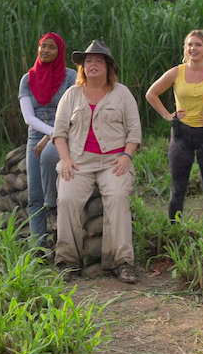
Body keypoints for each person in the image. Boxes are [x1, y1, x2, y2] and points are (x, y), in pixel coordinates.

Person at [52, 40, 142, 284]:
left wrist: (126, 156)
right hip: (79, 162)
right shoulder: (72, 94)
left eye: (98, 61)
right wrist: (66, 159)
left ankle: (122, 262)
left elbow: (134, 132)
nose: (92, 64)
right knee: (67, 198)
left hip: (113, 161)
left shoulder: (122, 94)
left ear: (108, 66)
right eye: (88, 61)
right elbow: (59, 132)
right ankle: (67, 261)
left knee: (117, 197)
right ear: (83, 68)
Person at [146, 30, 203, 227]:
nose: (193, 48)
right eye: (190, 45)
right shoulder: (176, 72)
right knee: (178, 187)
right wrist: (167, 115)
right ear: (185, 48)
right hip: (181, 134)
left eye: (198, 44)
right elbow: (151, 94)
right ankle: (174, 229)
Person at [18, 33, 78, 246]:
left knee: (64, 194)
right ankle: (38, 248)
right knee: (35, 197)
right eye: (42, 46)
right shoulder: (28, 79)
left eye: (51, 47)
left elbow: (74, 111)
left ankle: (65, 246)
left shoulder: (70, 77)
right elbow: (28, 117)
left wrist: (56, 135)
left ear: (59, 51)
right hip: (37, 136)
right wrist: (49, 134)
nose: (45, 51)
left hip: (67, 133)